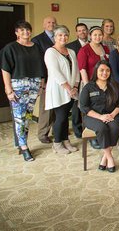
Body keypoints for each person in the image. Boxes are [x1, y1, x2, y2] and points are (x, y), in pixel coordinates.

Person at [0, 20, 45, 161]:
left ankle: (22, 142)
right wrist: (8, 89)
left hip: (34, 86)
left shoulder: (37, 47)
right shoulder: (10, 48)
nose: (25, 32)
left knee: (27, 117)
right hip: (18, 87)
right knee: (19, 119)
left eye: (28, 30)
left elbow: (42, 68)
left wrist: (41, 85)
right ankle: (24, 147)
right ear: (16, 33)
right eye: (22, 30)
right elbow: (5, 68)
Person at [80, 61, 119, 173]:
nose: (105, 73)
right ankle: (109, 157)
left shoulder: (114, 86)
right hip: (92, 117)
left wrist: (112, 114)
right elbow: (84, 107)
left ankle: (104, 158)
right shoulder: (89, 87)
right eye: (102, 70)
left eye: (107, 70)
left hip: (111, 115)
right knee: (101, 128)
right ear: (96, 71)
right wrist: (100, 117)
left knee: (115, 127)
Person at [44, 25, 80, 154]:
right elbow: (55, 72)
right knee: (61, 117)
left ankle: (66, 141)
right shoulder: (50, 52)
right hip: (59, 90)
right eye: (60, 35)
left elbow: (76, 70)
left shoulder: (71, 52)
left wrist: (75, 86)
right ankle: (57, 143)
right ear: (55, 37)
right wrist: (68, 88)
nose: (63, 37)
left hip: (72, 90)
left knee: (65, 117)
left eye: (65, 35)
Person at [77, 26, 109, 149]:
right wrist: (88, 86)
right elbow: (82, 69)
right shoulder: (84, 50)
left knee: (102, 108)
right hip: (90, 85)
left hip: (104, 84)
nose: (97, 37)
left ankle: (103, 133)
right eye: (95, 35)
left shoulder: (105, 48)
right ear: (90, 36)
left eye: (100, 35)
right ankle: (92, 136)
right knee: (89, 109)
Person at [32, 16, 57, 144]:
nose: (51, 24)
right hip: (46, 79)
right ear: (44, 25)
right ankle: (42, 134)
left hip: (58, 78)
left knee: (56, 106)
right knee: (45, 108)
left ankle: (55, 130)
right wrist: (42, 80)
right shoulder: (37, 40)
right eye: (48, 22)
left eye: (53, 22)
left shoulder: (58, 37)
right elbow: (38, 62)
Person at [66, 22, 88, 139]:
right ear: (76, 33)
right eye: (79, 30)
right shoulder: (71, 46)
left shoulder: (92, 44)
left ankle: (88, 128)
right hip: (76, 80)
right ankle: (78, 130)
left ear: (87, 31)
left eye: (84, 30)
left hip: (88, 78)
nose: (82, 32)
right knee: (76, 106)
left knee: (88, 104)